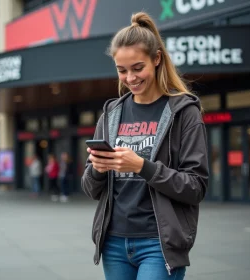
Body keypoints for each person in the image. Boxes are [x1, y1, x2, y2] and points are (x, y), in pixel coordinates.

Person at [81, 12, 209, 280]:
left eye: (138, 68)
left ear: (157, 59)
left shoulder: (183, 112)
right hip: (114, 242)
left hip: (159, 243)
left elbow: (196, 186)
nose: (130, 78)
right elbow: (90, 189)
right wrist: (98, 169)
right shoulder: (111, 113)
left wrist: (142, 166)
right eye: (122, 70)